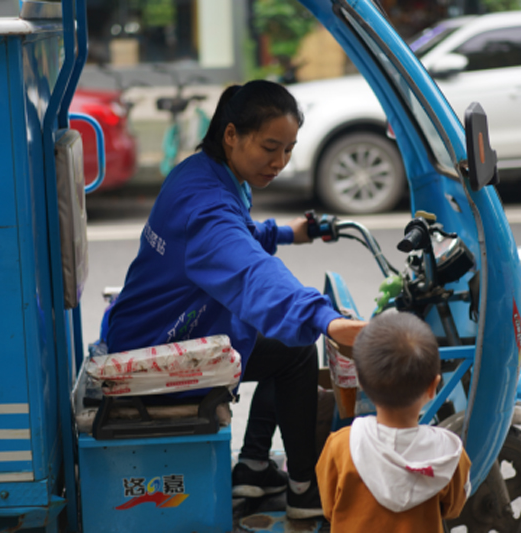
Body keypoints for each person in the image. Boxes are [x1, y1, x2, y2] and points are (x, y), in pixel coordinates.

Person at [104, 79, 366, 519]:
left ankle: (254, 466)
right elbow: (247, 267)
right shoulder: (206, 205)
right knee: (296, 351)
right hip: (156, 354)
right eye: (270, 147)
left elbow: (234, 236)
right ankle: (303, 489)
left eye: (289, 149)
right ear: (231, 134)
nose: (279, 162)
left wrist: (287, 233)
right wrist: (326, 319)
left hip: (142, 330)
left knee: (278, 340)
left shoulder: (201, 172)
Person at [316, 312, 471, 532]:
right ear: (433, 387)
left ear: (360, 381)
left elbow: (329, 507)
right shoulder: (449, 454)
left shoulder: (340, 446)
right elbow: (453, 509)